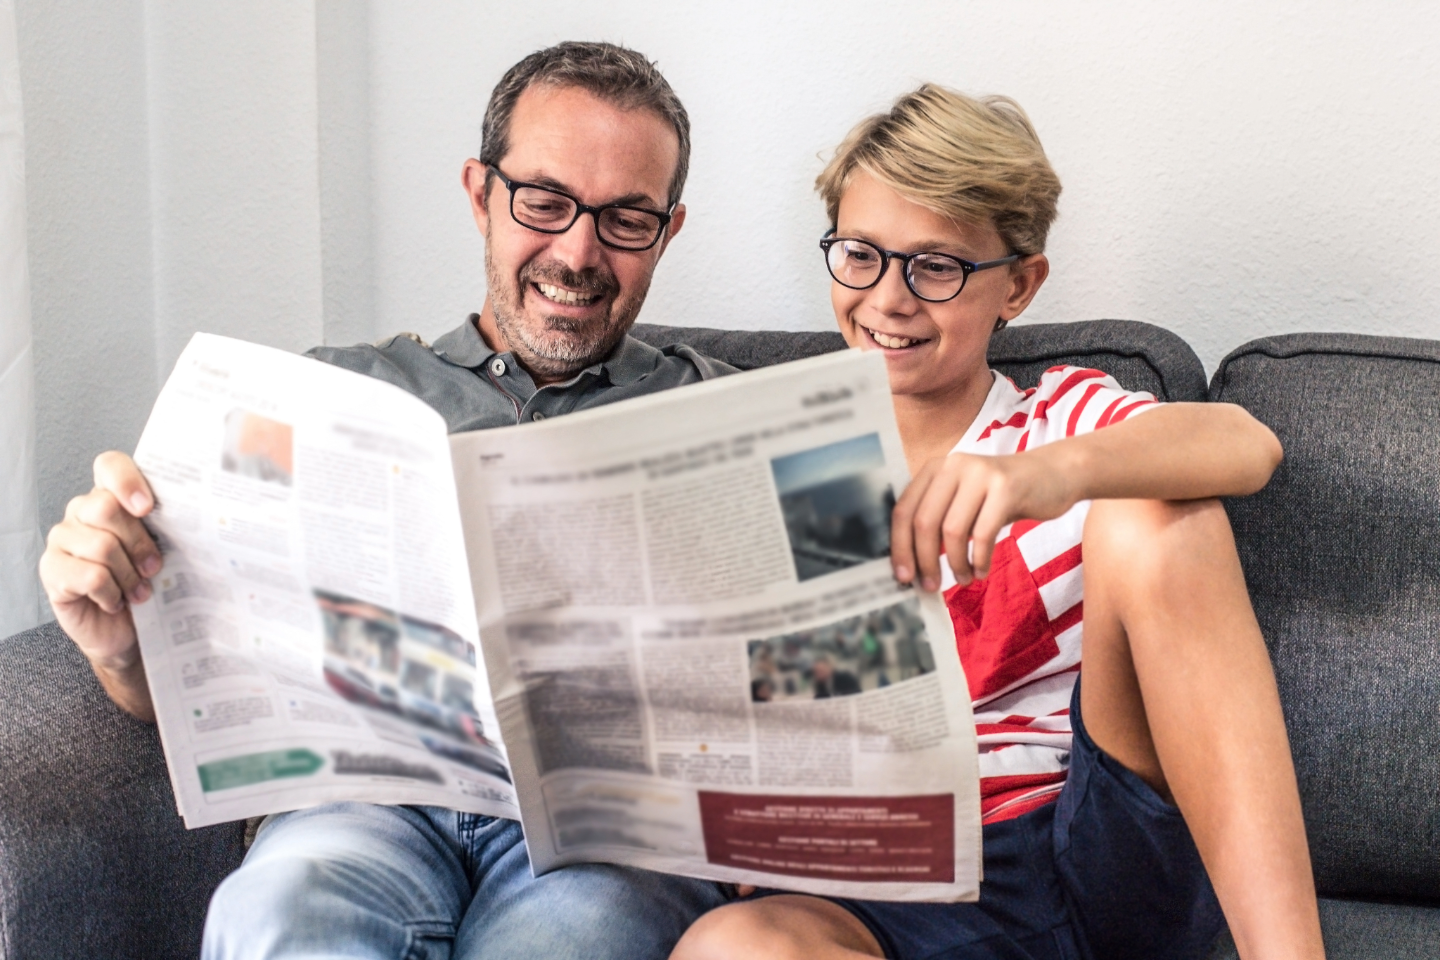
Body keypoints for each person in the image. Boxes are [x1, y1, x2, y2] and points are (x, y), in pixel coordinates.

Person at [38, 41, 735, 960]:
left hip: (605, 842)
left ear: (669, 229)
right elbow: (199, 692)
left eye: (625, 220)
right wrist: (125, 654)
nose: (577, 252)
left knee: (573, 940)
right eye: (545, 202)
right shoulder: (320, 395)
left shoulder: (731, 416)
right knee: (280, 911)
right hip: (362, 809)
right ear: (480, 194)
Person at [671, 86, 1325, 960]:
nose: (890, 299)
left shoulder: (1060, 420)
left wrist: (1047, 476)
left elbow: (1246, 445)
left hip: (1081, 847)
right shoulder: (776, 464)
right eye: (861, 255)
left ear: (1018, 284)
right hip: (875, 885)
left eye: (936, 267)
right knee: (731, 943)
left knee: (1160, 520)